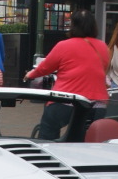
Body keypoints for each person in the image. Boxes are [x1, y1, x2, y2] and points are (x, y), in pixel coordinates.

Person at [25, 9, 111, 139]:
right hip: (97, 103)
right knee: (84, 136)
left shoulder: (64, 45)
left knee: (48, 128)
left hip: (68, 99)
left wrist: (30, 75)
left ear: (73, 25)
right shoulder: (103, 47)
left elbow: (45, 67)